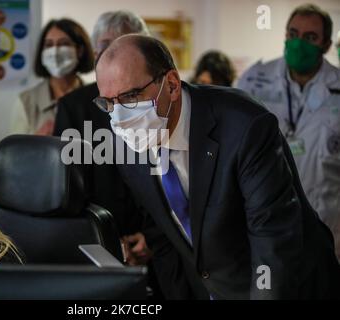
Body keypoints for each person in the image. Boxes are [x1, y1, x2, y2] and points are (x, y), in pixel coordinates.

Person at [95, 34, 340, 299]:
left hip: (292, 285)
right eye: (109, 103)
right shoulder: (127, 146)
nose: (119, 118)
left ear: (172, 85)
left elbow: (272, 240)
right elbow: (165, 236)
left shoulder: (245, 126)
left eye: (131, 97)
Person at [237, 4, 340, 260]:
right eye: (293, 34)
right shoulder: (255, 80)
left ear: (326, 44)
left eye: (310, 37)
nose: (298, 43)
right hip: (266, 219)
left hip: (327, 221)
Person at [54, 11, 153, 266]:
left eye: (124, 45)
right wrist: (104, 238)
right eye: (106, 46)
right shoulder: (73, 107)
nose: (113, 55)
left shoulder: (156, 103)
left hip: (156, 247)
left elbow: (171, 178)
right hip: (94, 245)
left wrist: (153, 236)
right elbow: (66, 189)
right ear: (96, 52)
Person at [11, 18, 94, 135]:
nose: (55, 51)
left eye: (64, 43)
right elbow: (12, 151)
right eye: (49, 45)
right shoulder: (27, 101)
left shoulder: (95, 98)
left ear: (80, 50)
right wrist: (35, 141)